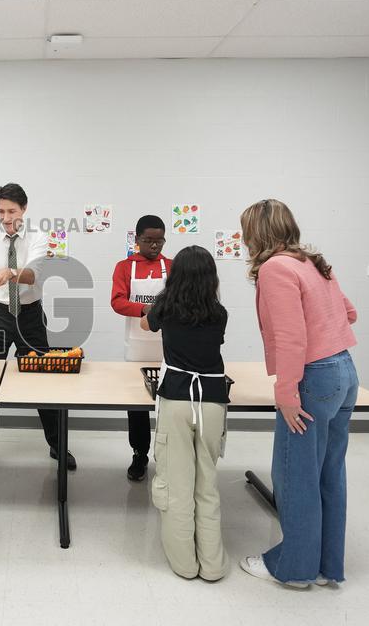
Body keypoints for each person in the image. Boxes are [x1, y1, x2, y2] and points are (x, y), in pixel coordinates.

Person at [237, 199, 358, 589]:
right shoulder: (313, 262)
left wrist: (286, 392)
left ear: (259, 233)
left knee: (295, 476)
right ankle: (325, 567)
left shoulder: (275, 268)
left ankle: (294, 569)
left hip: (312, 378)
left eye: (246, 231)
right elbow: (349, 313)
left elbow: (292, 338)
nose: (242, 239)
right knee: (329, 473)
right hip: (344, 371)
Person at [141, 245, 229, 581]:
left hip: (177, 397)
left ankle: (184, 564)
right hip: (213, 401)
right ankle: (213, 565)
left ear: (175, 275)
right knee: (206, 483)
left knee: (177, 483)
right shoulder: (219, 313)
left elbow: (146, 325)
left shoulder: (165, 306)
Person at [0, 183, 70, 475]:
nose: (6, 217)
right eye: (1, 211)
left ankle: (57, 445)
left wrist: (10, 272)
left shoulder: (39, 237)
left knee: (43, 380)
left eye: (12, 211)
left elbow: (32, 275)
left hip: (29, 315)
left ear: (24, 209)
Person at [111, 215, 173, 481]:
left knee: (169, 405)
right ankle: (139, 454)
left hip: (169, 348)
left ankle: (169, 456)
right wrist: (148, 309)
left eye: (159, 241)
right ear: (137, 240)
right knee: (136, 406)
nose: (154, 246)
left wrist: (162, 312)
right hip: (136, 348)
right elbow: (117, 302)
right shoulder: (124, 267)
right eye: (148, 241)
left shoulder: (171, 267)